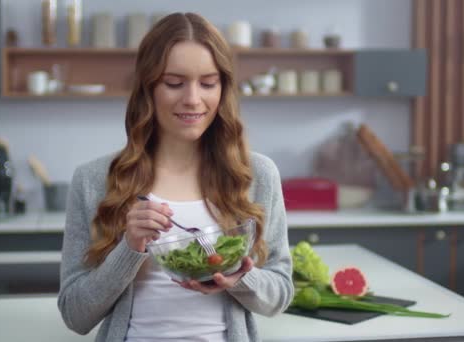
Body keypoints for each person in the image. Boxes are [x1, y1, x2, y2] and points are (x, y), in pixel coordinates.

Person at [57, 12, 294, 342]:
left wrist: (241, 278)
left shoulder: (257, 176)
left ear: (223, 89)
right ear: (148, 88)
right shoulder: (93, 180)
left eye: (208, 83)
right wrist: (129, 248)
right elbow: (74, 314)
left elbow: (280, 293)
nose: (193, 99)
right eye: (174, 83)